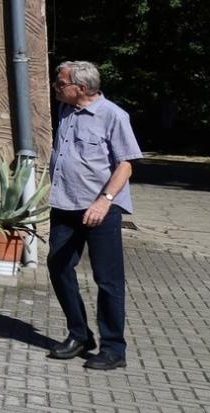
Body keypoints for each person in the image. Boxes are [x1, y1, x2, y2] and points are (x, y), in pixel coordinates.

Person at [47, 61, 142, 371]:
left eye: (61, 84)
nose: (56, 87)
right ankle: (79, 334)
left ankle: (114, 348)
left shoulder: (112, 115)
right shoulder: (66, 111)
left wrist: (105, 201)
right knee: (58, 265)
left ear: (82, 88)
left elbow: (125, 165)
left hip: (102, 209)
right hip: (66, 205)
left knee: (107, 279)